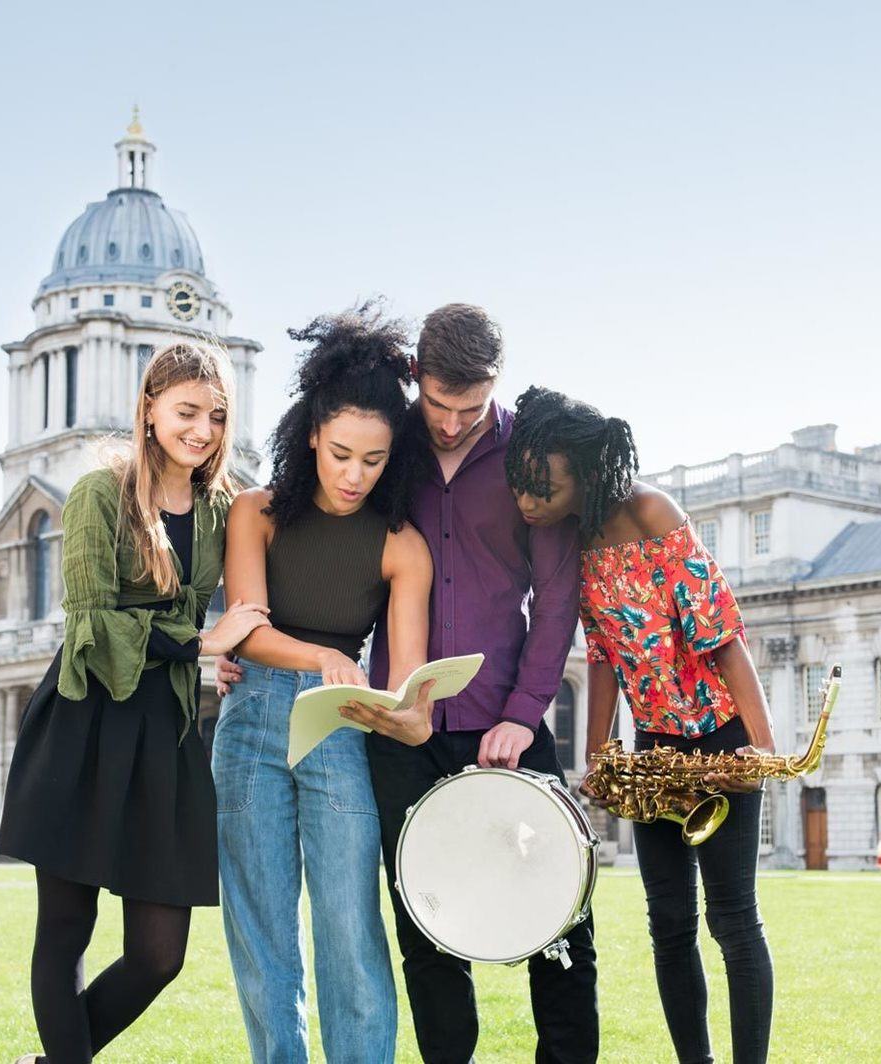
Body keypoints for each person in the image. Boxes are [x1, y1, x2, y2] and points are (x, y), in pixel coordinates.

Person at [0, 341, 269, 1064]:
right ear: (148, 409)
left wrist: (224, 654)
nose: (202, 430)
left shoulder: (219, 511)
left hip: (167, 737)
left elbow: (226, 615)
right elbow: (88, 622)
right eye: (186, 412)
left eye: (215, 415)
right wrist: (203, 644)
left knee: (159, 954)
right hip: (85, 724)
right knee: (65, 932)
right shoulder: (98, 492)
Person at [506, 385, 777, 1064]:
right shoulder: (568, 539)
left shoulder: (653, 511)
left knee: (733, 921)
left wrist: (764, 751)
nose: (528, 502)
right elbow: (600, 654)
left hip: (720, 738)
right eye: (523, 486)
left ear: (588, 472)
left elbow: (723, 637)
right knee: (669, 926)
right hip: (653, 750)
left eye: (544, 487)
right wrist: (600, 753)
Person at [358, 306, 597, 1064]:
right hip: (402, 731)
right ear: (414, 379)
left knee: (560, 922)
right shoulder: (385, 448)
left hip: (510, 724)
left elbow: (559, 595)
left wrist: (526, 715)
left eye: (472, 408)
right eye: (439, 406)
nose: (455, 424)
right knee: (427, 927)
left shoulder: (533, 453)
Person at [215, 305, 435, 1064]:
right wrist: (320, 659)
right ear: (311, 433)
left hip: (342, 729)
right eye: (341, 453)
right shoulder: (254, 513)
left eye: (373, 461)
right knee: (262, 933)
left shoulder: (403, 548)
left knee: (350, 928)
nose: (352, 475)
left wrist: (411, 718)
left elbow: (406, 689)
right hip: (249, 730)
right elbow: (245, 629)